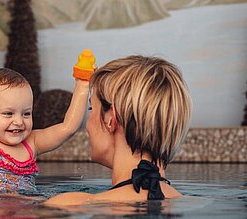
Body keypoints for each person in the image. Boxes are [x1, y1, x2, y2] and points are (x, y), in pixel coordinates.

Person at [0, 23, 90, 193]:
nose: (18, 121)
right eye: (8, 113)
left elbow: (68, 128)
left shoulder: (32, 143)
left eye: (26, 113)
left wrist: (82, 86)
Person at [45, 55, 192, 205]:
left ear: (111, 119)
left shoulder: (70, 204)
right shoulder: (193, 203)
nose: (88, 125)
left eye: (91, 108)